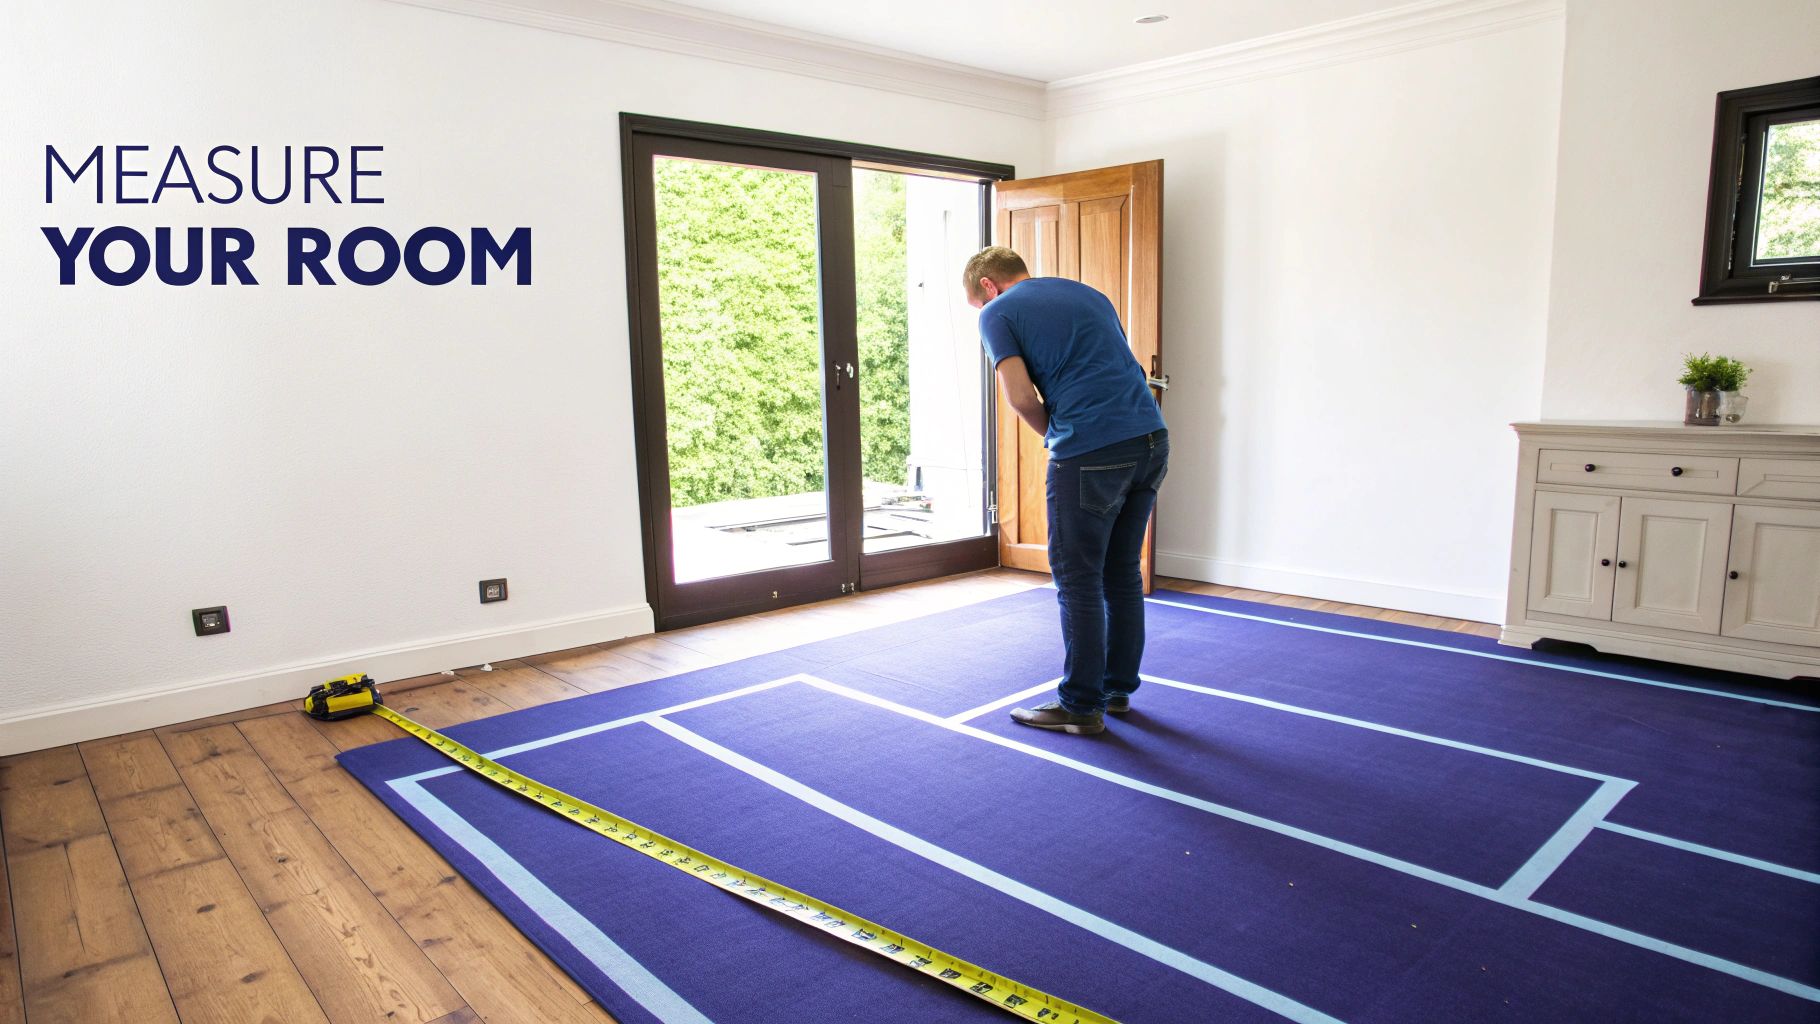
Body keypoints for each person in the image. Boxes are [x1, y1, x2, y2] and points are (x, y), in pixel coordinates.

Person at [963, 246, 1168, 736]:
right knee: (1121, 570)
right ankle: (1117, 690)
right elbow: (1128, 370)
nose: (982, 310)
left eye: (979, 302)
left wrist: (1058, 437)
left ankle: (1079, 706)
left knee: (1078, 579)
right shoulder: (1088, 294)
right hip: (1151, 440)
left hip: (1092, 450)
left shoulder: (997, 312)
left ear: (989, 285)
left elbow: (1020, 397)